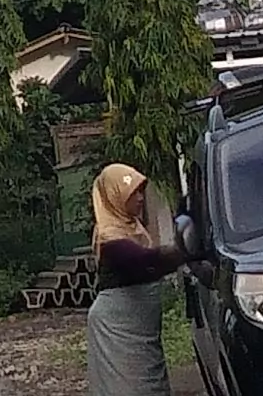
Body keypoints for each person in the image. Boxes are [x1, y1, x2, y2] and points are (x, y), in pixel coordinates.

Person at [86, 163, 182, 396]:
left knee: (151, 387)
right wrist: (186, 252)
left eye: (141, 191)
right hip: (118, 331)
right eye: (134, 193)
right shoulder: (110, 239)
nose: (141, 199)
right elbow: (145, 262)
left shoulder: (134, 229)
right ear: (115, 197)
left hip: (142, 334)